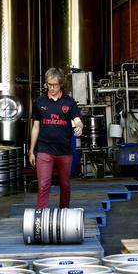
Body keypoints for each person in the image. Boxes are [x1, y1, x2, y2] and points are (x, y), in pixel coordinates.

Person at [29, 68, 83, 208]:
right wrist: (31, 151)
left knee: (65, 185)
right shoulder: (39, 102)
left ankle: (64, 212)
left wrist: (79, 127)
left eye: (54, 84)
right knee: (43, 184)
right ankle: (41, 216)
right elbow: (35, 127)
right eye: (49, 84)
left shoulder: (69, 102)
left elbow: (77, 120)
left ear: (61, 84)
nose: (51, 88)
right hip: (44, 149)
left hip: (64, 151)